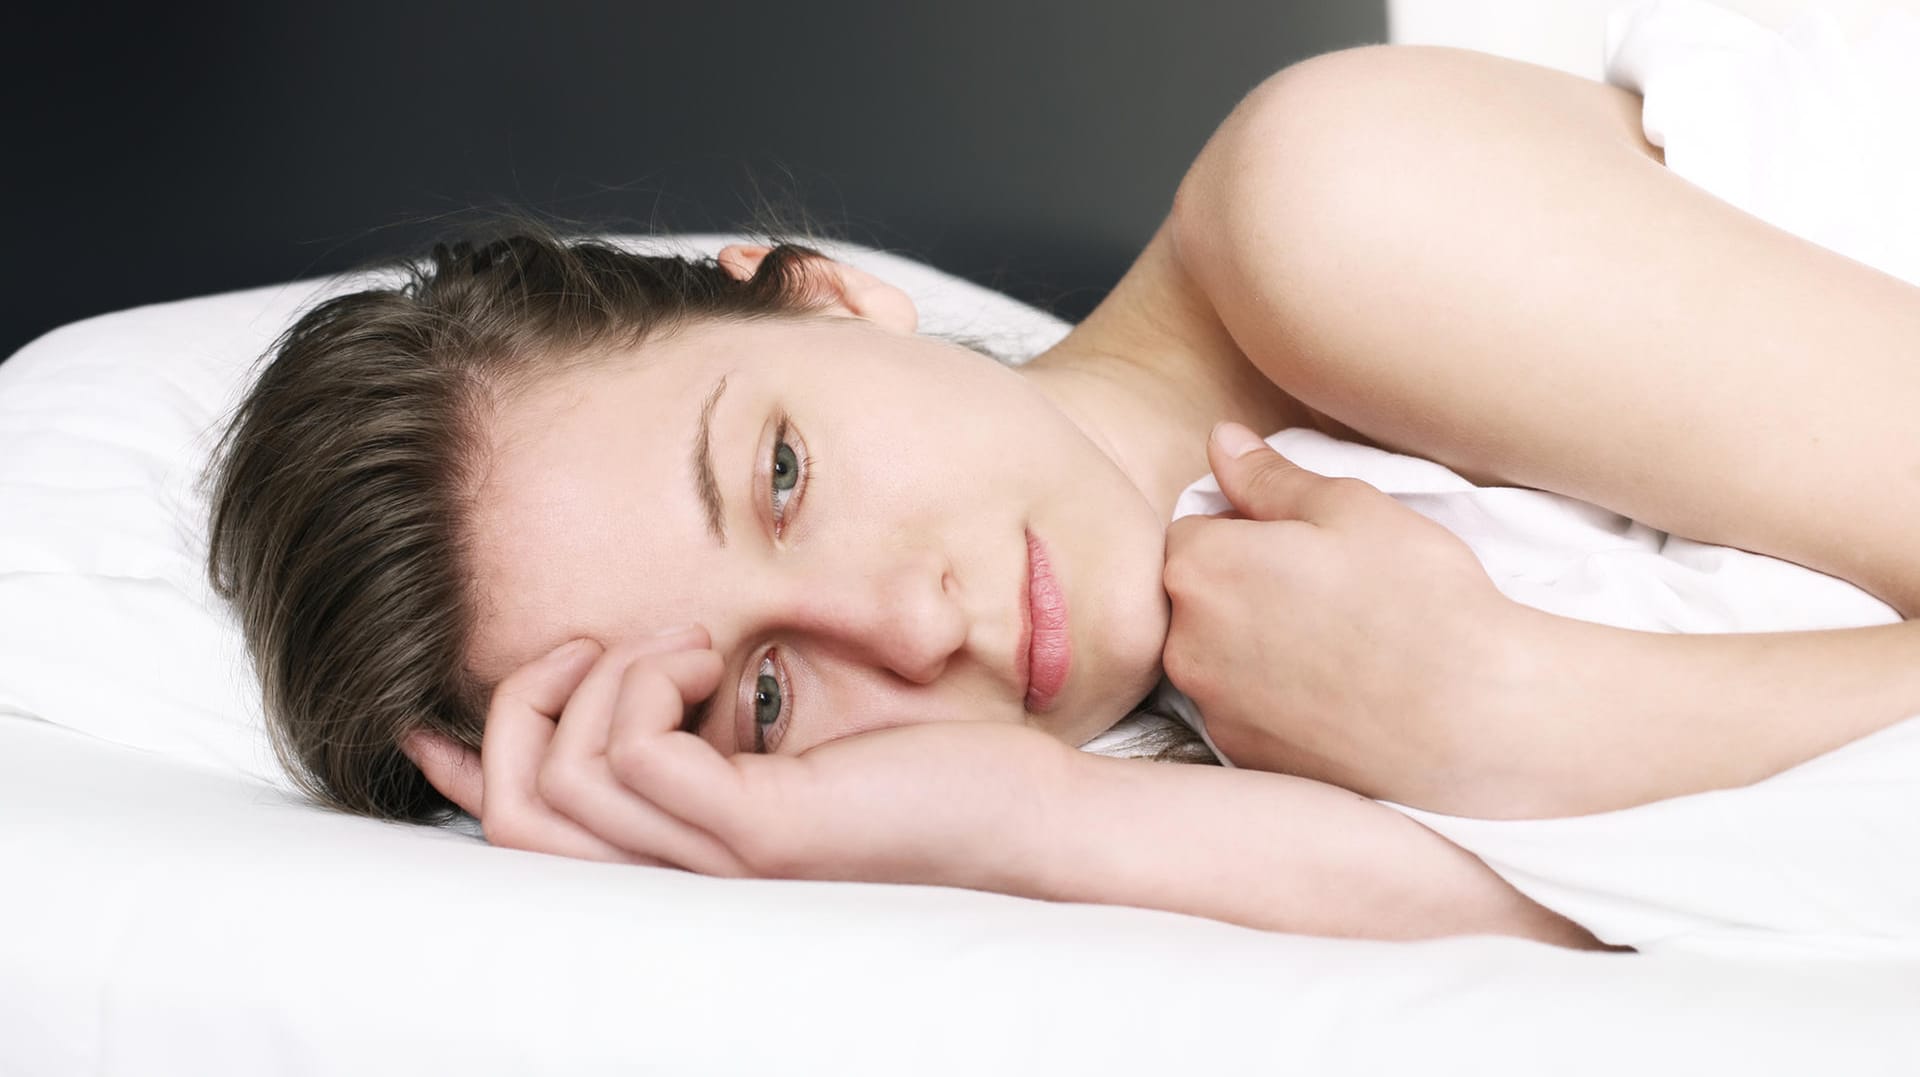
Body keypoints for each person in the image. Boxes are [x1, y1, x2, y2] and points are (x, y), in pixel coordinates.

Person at [205, 44, 1920, 951]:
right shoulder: (1174, 758)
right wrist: (1024, 825)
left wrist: (1522, 708)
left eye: (785, 475)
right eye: (763, 700)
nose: (912, 618)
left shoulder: (1326, 216)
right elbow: (1634, 920)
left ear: (820, 293)